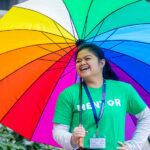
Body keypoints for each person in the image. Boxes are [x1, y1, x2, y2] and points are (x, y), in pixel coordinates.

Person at [52, 42, 150, 150]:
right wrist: (72, 138)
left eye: (87, 58)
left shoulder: (124, 89)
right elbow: (58, 131)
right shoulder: (68, 94)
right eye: (78, 61)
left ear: (101, 63)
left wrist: (134, 146)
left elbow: (146, 116)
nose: (82, 63)